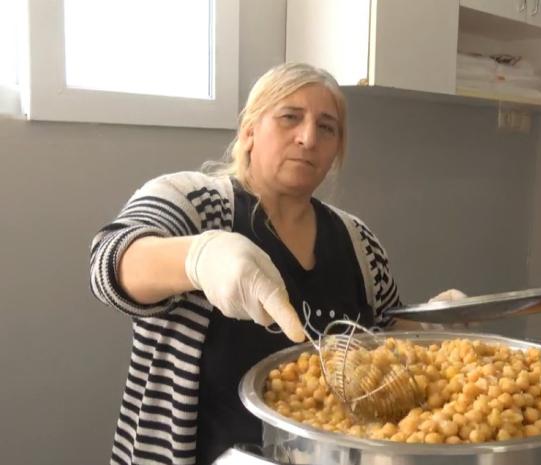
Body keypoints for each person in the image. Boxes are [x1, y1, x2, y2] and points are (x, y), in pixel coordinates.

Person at [89, 62, 462, 465]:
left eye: (327, 127)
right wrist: (199, 256)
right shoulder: (193, 202)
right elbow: (109, 262)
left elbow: (384, 340)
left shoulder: (359, 241)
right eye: (290, 117)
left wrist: (431, 326)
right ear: (249, 130)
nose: (308, 138)